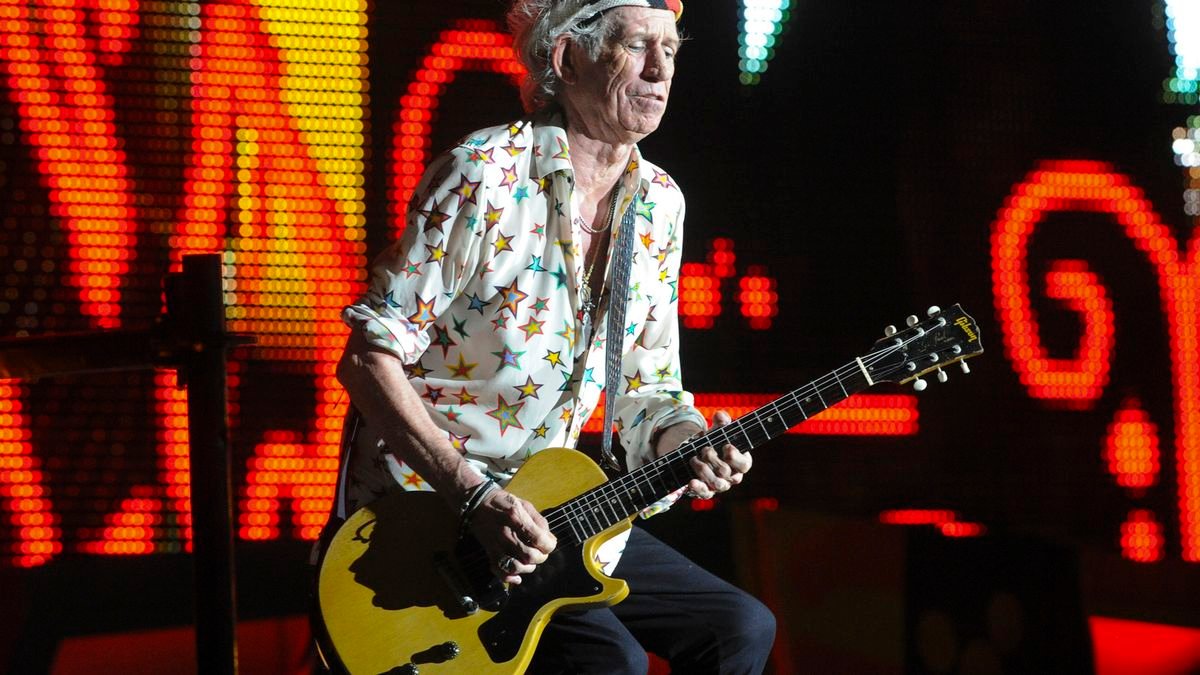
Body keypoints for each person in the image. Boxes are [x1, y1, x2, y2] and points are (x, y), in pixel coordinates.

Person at [334, 0, 776, 671]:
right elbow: (369, 358)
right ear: (568, 59)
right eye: (636, 46)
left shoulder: (660, 203)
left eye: (670, 50)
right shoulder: (483, 173)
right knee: (611, 663)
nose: (660, 70)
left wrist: (689, 444)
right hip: (431, 522)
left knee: (740, 627)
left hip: (549, 513)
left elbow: (649, 390)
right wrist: (473, 495)